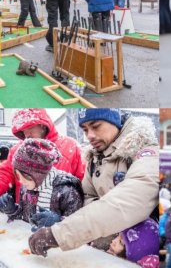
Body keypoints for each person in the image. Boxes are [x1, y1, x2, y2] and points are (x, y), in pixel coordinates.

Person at [28, 109, 159, 257]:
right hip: (108, 250)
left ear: (114, 121)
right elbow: (86, 199)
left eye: (96, 126)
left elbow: (129, 201)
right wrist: (62, 220)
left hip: (141, 251)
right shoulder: (94, 160)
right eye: (85, 130)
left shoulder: (148, 154)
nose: (89, 135)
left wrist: (60, 233)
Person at [0, 109, 85, 202]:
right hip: (24, 211)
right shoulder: (17, 150)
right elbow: (4, 175)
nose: (26, 134)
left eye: (29, 128)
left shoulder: (70, 146)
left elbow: (83, 184)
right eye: (23, 130)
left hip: (61, 211)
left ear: (42, 125)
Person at [0, 139, 83, 232]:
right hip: (29, 242)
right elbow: (26, 219)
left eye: (26, 176)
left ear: (38, 174)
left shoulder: (67, 191)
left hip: (57, 244)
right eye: (17, 175)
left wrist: (58, 223)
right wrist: (13, 211)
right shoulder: (27, 188)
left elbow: (77, 229)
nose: (21, 181)